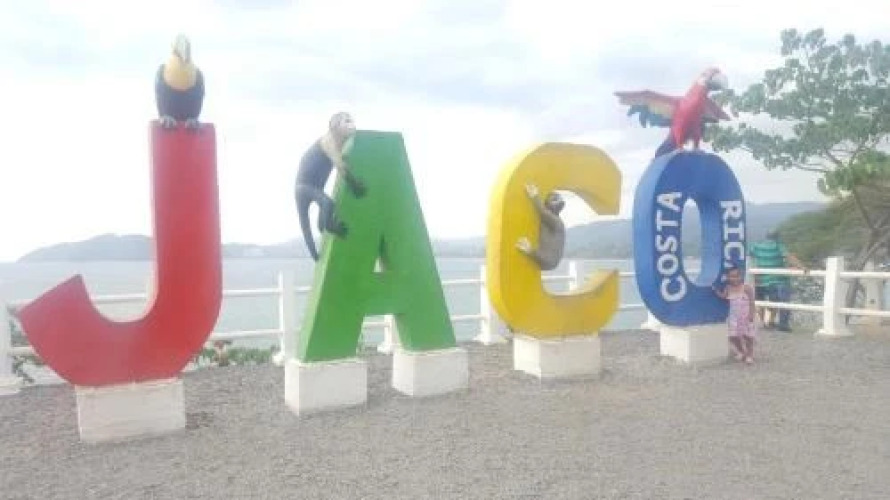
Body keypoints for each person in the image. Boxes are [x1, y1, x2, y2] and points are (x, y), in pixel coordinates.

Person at [748, 231, 808, 332]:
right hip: (779, 279)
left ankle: (763, 323)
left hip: (761, 279)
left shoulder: (756, 246)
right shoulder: (778, 245)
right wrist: (802, 267)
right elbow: (789, 256)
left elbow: (749, 255)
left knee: (761, 302)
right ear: (777, 237)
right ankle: (782, 324)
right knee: (783, 301)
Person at [713, 265, 757, 364]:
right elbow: (724, 296)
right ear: (728, 277)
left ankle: (750, 355)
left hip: (746, 317)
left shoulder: (746, 288)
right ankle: (742, 351)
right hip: (734, 318)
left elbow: (752, 302)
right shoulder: (728, 288)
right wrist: (716, 291)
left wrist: (751, 314)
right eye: (732, 276)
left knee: (748, 337)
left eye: (737, 276)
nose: (735, 279)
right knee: (733, 336)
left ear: (741, 276)